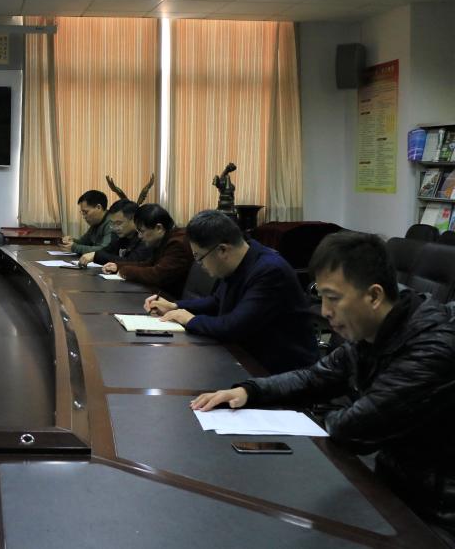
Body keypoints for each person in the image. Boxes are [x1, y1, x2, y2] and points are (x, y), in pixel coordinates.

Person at [191, 231, 455, 545]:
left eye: (333, 298)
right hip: (392, 487)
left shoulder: (433, 348)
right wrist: (250, 391)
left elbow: (352, 428)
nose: (325, 311)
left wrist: (318, 418)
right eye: (321, 295)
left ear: (374, 296)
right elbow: (315, 377)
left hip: (434, 515)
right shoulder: (376, 329)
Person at [144, 210, 318, 373]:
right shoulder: (240, 261)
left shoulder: (270, 271)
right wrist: (175, 306)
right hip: (246, 357)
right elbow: (216, 301)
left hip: (279, 371)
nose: (199, 264)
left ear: (222, 250)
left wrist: (190, 319)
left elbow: (233, 327)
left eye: (199, 257)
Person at [101, 203, 191, 298]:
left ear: (159, 228)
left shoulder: (178, 243)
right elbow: (149, 264)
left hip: (172, 300)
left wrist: (126, 271)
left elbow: (157, 275)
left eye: (142, 231)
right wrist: (118, 266)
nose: (139, 236)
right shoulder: (165, 238)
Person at [78, 199, 151, 267]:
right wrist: (94, 255)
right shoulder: (119, 237)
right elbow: (106, 251)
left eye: (118, 223)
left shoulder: (145, 238)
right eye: (112, 223)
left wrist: (97, 256)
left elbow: (132, 262)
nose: (114, 228)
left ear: (134, 220)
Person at [61, 190, 116, 256]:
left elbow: (104, 250)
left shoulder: (112, 222)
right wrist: (72, 241)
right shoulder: (96, 222)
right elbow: (83, 242)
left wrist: (75, 247)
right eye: (82, 213)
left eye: (86, 212)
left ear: (98, 207)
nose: (84, 217)